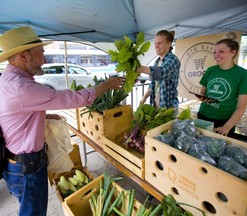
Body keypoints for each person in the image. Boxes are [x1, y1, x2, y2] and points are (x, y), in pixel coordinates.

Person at [0, 26, 124, 216]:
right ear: (24, 57)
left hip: (15, 163)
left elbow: (12, 114)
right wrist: (107, 85)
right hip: (27, 168)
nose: (45, 59)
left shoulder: (7, 79)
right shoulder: (22, 87)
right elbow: (73, 98)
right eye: (41, 53)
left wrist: (43, 116)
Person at [196, 33, 247, 137]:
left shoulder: (244, 75)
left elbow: (241, 106)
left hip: (225, 121)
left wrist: (226, 127)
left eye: (221, 51)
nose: (216, 55)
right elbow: (203, 92)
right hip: (203, 116)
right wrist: (203, 98)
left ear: (233, 52)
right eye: (215, 52)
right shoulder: (211, 70)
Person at [137, 30, 180, 116]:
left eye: (159, 43)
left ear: (169, 44)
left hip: (168, 108)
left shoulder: (173, 60)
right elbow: (153, 84)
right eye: (155, 43)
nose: (156, 46)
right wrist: (144, 98)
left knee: (167, 129)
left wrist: (141, 69)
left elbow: (161, 73)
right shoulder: (157, 62)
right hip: (156, 105)